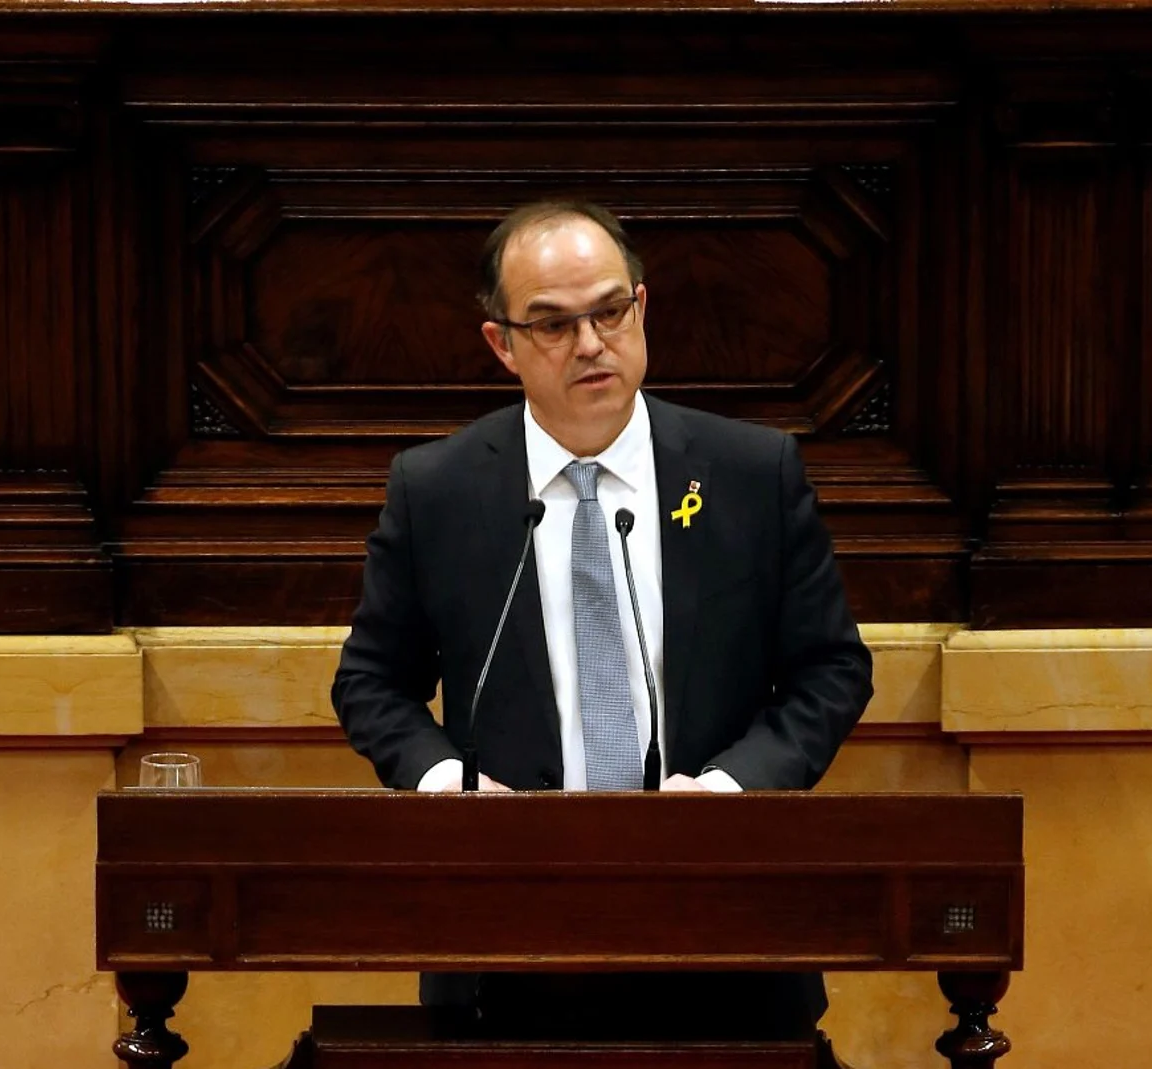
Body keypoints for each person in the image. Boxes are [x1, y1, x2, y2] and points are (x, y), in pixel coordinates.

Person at [331, 200, 874, 1039]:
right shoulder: (437, 489)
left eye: (610, 311)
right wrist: (452, 790)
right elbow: (371, 683)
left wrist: (732, 789)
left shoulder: (748, 472)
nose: (591, 344)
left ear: (643, 307)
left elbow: (832, 669)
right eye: (552, 324)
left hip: (727, 934)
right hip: (504, 939)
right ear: (500, 345)